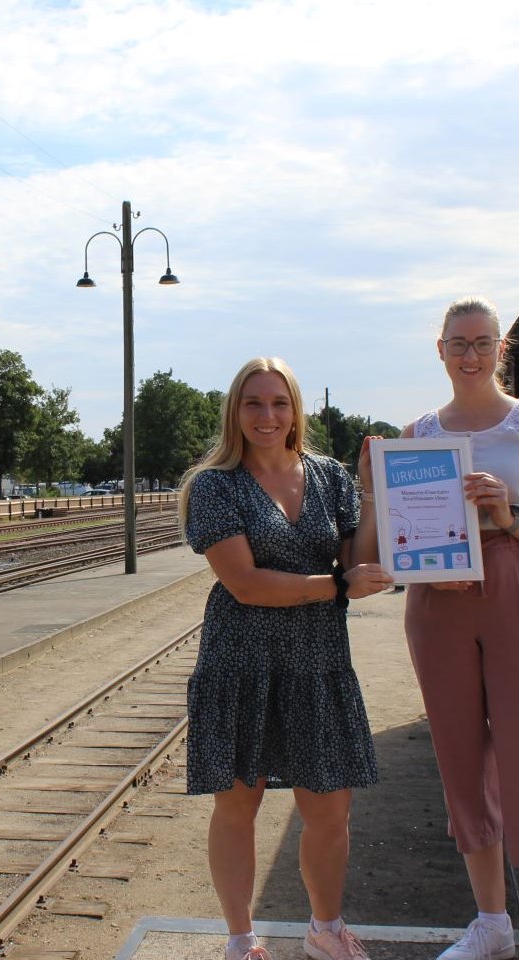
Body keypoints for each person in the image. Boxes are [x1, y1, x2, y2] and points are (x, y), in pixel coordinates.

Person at [354, 297, 519, 960]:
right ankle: (491, 923)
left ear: (501, 348)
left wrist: (508, 515)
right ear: (438, 351)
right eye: (457, 343)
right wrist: (371, 493)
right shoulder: (413, 437)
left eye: (481, 342)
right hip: (440, 602)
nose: (469, 354)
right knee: (460, 761)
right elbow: (375, 555)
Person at [178, 356, 395, 960]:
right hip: (241, 660)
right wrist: (334, 586)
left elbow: (362, 559)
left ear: (295, 409)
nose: (267, 415)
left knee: (330, 807)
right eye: (254, 404)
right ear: (235, 413)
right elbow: (245, 584)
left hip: (319, 660)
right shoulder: (215, 485)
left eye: (279, 403)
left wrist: (373, 488)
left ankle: (326, 931)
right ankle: (241, 940)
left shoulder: (328, 477)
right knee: (239, 804)